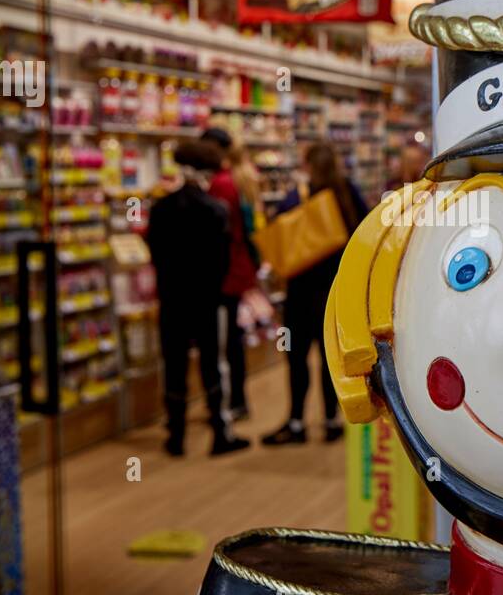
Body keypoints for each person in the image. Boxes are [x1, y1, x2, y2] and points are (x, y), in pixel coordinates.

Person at [145, 140, 249, 457]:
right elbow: (221, 260)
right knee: (212, 365)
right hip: (207, 299)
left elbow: (156, 254)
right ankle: (220, 432)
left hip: (172, 298)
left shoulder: (160, 209)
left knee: (174, 364)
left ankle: (176, 435)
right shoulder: (215, 211)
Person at [262, 142, 367, 446]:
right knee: (329, 358)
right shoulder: (347, 192)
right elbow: (363, 231)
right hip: (334, 291)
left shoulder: (297, 196)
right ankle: (331, 419)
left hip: (300, 292)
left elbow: (279, 230)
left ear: (307, 165)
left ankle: (295, 421)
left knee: (296, 359)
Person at [201, 128, 261, 422]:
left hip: (225, 271)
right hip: (239, 268)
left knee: (224, 341)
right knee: (233, 337)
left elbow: (216, 233)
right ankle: (237, 398)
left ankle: (230, 401)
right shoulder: (242, 177)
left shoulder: (221, 184)